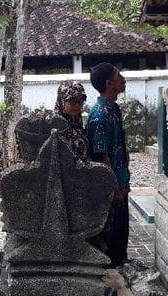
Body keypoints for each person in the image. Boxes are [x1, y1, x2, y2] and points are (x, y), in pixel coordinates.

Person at [87, 63, 130, 267]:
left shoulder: (114, 110)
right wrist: (114, 190)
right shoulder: (99, 115)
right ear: (108, 84)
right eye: (118, 75)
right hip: (111, 189)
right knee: (111, 241)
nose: (123, 78)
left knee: (121, 237)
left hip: (121, 183)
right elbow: (101, 156)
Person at [55, 80, 89, 164]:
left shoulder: (77, 122)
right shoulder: (55, 126)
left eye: (80, 101)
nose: (77, 105)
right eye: (73, 101)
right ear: (62, 101)